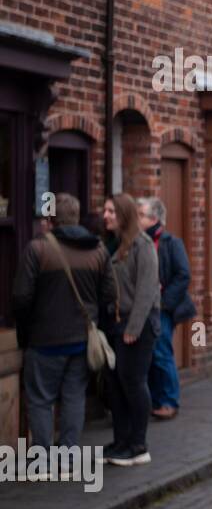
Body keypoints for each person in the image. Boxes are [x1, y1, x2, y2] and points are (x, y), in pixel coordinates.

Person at [12, 193, 116, 475]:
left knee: (41, 399)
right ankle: (68, 459)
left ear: (52, 219)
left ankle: (44, 460)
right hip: (82, 341)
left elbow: (21, 297)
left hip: (44, 340)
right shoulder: (98, 251)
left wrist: (25, 331)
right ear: (77, 217)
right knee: (73, 398)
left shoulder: (37, 250)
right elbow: (109, 294)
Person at [100, 193, 160, 467]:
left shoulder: (143, 246)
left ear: (123, 215)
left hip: (138, 324)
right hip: (115, 323)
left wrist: (133, 328)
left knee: (133, 382)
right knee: (115, 384)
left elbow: (147, 291)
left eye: (111, 211)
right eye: (105, 211)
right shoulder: (112, 244)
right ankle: (121, 441)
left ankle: (138, 445)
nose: (106, 216)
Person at [137, 198, 196, 421]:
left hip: (162, 309)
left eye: (141, 215)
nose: (137, 219)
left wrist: (163, 303)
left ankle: (169, 401)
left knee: (162, 354)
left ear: (154, 219)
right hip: (144, 308)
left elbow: (183, 276)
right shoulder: (138, 242)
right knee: (149, 355)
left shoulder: (171, 242)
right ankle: (155, 399)